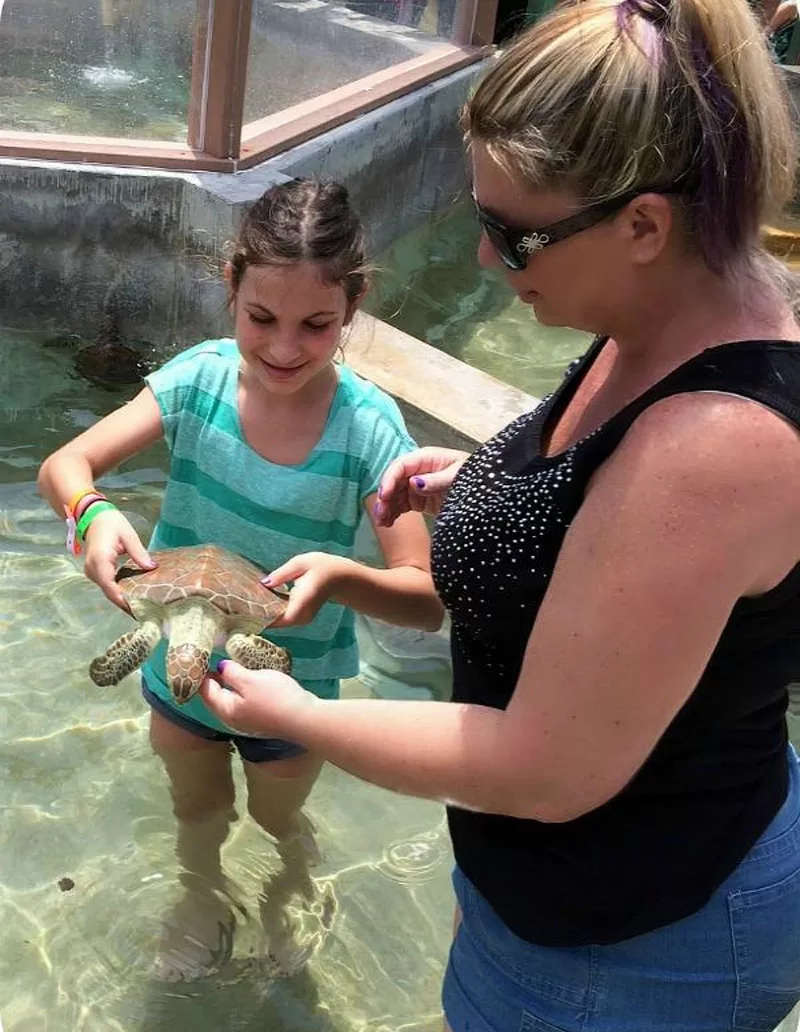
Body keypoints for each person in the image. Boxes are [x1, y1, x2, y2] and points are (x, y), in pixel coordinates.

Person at [198, 1, 800, 1029]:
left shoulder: (714, 447)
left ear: (643, 224)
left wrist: (302, 718)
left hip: (635, 934)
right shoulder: (664, 313)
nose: (483, 258)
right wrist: (489, 480)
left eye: (510, 232)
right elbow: (603, 501)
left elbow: (548, 767)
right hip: (578, 892)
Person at [37, 178, 443, 982]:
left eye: (316, 325)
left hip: (294, 686)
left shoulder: (368, 429)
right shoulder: (198, 380)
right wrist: (90, 514)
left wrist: (339, 578)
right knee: (197, 810)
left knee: (275, 811)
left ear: (353, 307)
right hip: (174, 662)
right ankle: (199, 894)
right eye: (262, 318)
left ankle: (290, 884)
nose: (285, 347)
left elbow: (425, 597)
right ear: (230, 287)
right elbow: (65, 464)